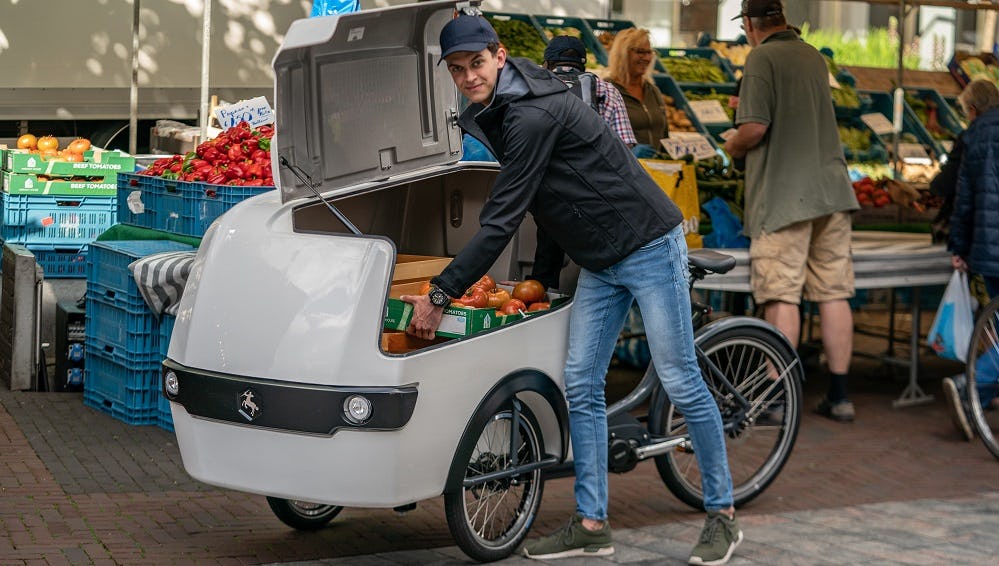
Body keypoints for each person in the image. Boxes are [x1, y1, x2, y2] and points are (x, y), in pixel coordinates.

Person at [402, 14, 742, 565]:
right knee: (581, 383)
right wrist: (540, 277)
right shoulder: (501, 103)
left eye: (477, 64)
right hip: (600, 259)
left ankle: (722, 515)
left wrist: (441, 294)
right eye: (457, 69)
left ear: (499, 55)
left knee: (680, 377)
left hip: (648, 245)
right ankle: (591, 524)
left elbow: (502, 218)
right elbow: (547, 198)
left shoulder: (530, 113)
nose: (468, 77)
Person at [722, 0, 860, 422]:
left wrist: (733, 143)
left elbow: (754, 128)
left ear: (749, 24)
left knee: (782, 293)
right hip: (832, 193)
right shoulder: (813, 56)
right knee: (833, 292)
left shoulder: (761, 58)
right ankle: (839, 396)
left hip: (784, 198)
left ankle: (777, 398)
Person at [942, 79, 999, 441]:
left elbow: (964, 200)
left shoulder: (974, 136)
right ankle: (971, 387)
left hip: (989, 252)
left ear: (973, 110)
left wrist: (959, 247)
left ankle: (976, 395)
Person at [543, 35, 637, 146]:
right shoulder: (609, 91)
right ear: (583, 65)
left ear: (546, 64)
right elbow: (625, 144)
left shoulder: (536, 86)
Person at [604, 28, 669, 158]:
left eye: (649, 52)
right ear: (622, 54)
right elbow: (598, 138)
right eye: (640, 52)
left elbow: (664, 135)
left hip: (655, 168)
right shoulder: (607, 90)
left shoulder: (653, 91)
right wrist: (628, 153)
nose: (647, 58)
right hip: (622, 167)